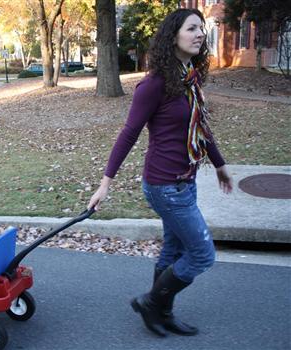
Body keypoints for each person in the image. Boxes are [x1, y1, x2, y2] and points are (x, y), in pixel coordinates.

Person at [88, 9, 233, 337]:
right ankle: (152, 302)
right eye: (192, 28)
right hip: (165, 186)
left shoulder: (189, 78)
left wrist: (220, 165)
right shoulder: (154, 85)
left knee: (173, 250)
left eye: (202, 28)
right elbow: (129, 132)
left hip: (186, 182)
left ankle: (159, 313)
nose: (199, 34)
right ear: (174, 36)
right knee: (201, 254)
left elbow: (200, 127)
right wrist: (105, 183)